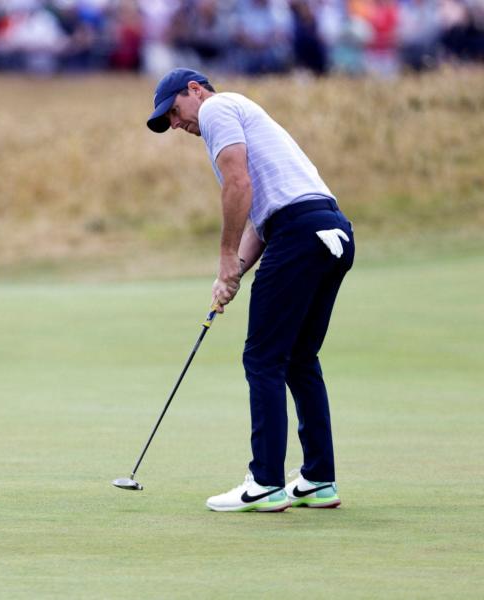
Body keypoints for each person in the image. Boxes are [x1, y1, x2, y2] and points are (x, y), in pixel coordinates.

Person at [146, 68, 354, 513]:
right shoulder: (243, 116)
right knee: (299, 358)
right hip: (329, 231)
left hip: (299, 235)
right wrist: (233, 274)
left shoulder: (219, 107)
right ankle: (318, 478)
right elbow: (264, 219)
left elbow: (239, 185)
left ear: (195, 91)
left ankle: (264, 482)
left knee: (263, 358)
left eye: (175, 111)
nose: (176, 124)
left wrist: (223, 257)